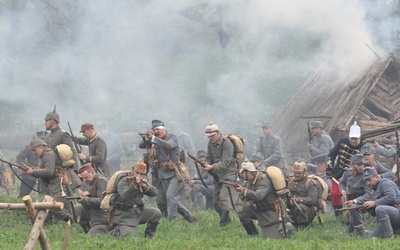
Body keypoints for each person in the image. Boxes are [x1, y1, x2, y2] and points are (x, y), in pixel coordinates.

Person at [143, 120, 196, 222]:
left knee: (170, 196)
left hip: (175, 173)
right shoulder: (155, 141)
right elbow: (143, 145)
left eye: (157, 129)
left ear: (164, 130)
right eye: (154, 130)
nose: (156, 131)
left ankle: (173, 220)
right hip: (163, 173)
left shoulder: (172, 137)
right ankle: (189, 217)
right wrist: (147, 136)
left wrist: (153, 138)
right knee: (171, 198)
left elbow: (168, 145)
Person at [25, 138, 73, 223]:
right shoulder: (45, 155)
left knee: (52, 206)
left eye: (34, 150)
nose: (33, 153)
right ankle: (46, 227)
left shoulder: (48, 155)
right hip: (54, 184)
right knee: (45, 206)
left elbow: (49, 171)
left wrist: (33, 172)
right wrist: (33, 171)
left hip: (59, 185)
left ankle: (71, 222)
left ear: (41, 148)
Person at [110, 161, 162, 238]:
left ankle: (149, 236)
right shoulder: (124, 181)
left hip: (137, 212)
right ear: (132, 171)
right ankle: (116, 230)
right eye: (137, 173)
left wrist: (145, 187)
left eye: (141, 174)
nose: (139, 176)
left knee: (156, 213)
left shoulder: (143, 181)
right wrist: (133, 185)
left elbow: (155, 192)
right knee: (128, 238)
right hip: (124, 215)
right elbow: (124, 195)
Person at [235, 161, 283, 239]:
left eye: (243, 173)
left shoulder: (264, 180)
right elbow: (246, 197)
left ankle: (287, 228)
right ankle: (253, 235)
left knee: (271, 239)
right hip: (259, 209)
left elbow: (258, 196)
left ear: (249, 172)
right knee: (242, 212)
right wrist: (242, 191)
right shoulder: (250, 181)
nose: (241, 175)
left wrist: (243, 190)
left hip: (270, 212)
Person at [203, 122, 236, 227]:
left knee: (223, 199)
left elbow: (226, 162)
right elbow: (209, 157)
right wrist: (206, 164)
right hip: (217, 175)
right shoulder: (210, 143)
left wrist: (212, 167)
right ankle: (227, 220)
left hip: (228, 174)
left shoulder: (227, 143)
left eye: (212, 136)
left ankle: (224, 223)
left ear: (218, 133)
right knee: (216, 203)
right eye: (208, 136)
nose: (210, 138)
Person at [328, 121, 364, 215]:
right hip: (339, 171)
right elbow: (332, 154)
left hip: (354, 173)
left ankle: (353, 213)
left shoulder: (363, 147)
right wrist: (329, 167)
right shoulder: (342, 141)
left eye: (355, 139)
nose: (353, 141)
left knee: (352, 194)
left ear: (359, 138)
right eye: (352, 138)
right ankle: (338, 213)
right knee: (335, 193)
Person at [44, 105, 82, 189]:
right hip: (51, 172)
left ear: (53, 121)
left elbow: (72, 151)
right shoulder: (47, 136)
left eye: (47, 121)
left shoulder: (62, 134)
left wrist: (75, 170)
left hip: (63, 171)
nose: (45, 123)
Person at [340, 154, 373, 235]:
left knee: (353, 208)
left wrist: (355, 201)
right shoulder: (347, 172)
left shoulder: (366, 175)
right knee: (351, 210)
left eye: (362, 164)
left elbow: (369, 194)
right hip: (350, 199)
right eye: (358, 165)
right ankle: (351, 231)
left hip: (364, 200)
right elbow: (342, 182)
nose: (361, 167)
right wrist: (342, 190)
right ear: (352, 165)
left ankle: (361, 231)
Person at [362, 167, 400, 238]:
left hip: (398, 212)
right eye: (366, 181)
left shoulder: (385, 183)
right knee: (374, 237)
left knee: (380, 209)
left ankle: (389, 237)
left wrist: (374, 203)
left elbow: (391, 197)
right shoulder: (375, 188)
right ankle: (393, 232)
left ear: (377, 177)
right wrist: (369, 208)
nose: (367, 183)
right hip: (392, 217)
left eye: (369, 180)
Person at [75, 163, 110, 235]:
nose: (84, 180)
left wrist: (84, 200)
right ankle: (87, 230)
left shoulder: (101, 181)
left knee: (92, 236)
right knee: (76, 209)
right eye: (83, 178)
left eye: (86, 177)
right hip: (95, 210)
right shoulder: (92, 181)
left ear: (92, 172)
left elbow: (102, 202)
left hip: (103, 214)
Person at [16, 131, 47, 198]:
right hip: (29, 176)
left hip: (42, 175)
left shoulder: (47, 149)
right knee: (23, 196)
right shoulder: (29, 148)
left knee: (43, 196)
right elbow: (19, 158)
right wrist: (25, 168)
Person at [287, 160, 318, 228]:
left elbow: (312, 200)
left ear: (304, 171)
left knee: (300, 207)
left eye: (299, 173)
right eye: (295, 173)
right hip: (291, 207)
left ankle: (303, 226)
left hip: (307, 210)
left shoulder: (310, 183)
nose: (297, 175)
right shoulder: (290, 180)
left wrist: (298, 199)